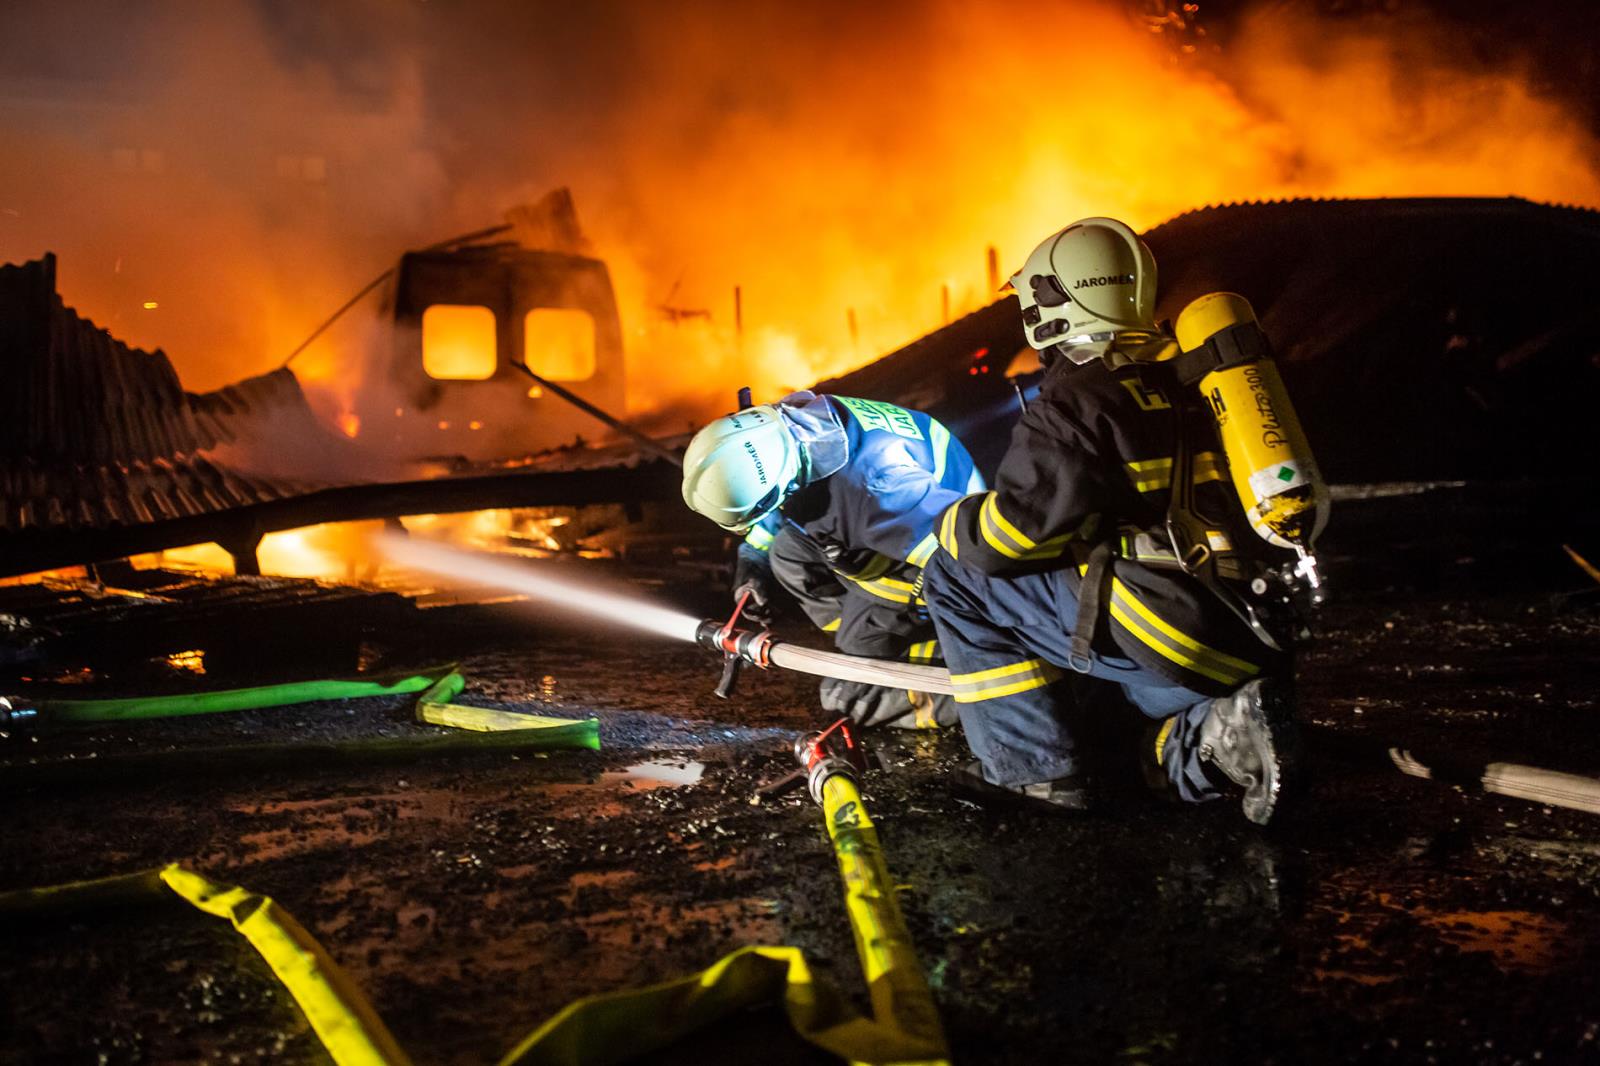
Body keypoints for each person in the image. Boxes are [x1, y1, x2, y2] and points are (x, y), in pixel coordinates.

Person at [921, 217, 1305, 824]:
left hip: (1174, 630)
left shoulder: (1079, 402)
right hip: (1253, 635)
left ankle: (1036, 776)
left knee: (952, 575)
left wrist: (953, 521)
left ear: (1050, 304)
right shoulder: (1196, 379)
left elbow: (1004, 544)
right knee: (1105, 735)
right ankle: (1223, 735)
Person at [681, 392, 984, 728]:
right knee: (786, 552)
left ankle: (948, 679)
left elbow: (967, 569)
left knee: (844, 696)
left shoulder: (881, 490)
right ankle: (865, 640)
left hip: (923, 566)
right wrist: (752, 563)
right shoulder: (796, 427)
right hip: (894, 537)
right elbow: (784, 499)